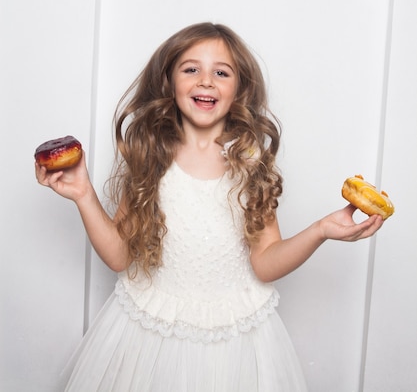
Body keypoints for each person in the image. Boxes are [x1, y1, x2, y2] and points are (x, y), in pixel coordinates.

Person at [35, 22, 383, 391]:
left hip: (233, 341)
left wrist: (320, 231)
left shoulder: (250, 163)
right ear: (169, 83)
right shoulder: (149, 157)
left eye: (221, 72)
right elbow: (121, 257)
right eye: (191, 69)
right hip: (151, 333)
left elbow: (265, 263)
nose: (206, 80)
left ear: (240, 89)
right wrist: (84, 194)